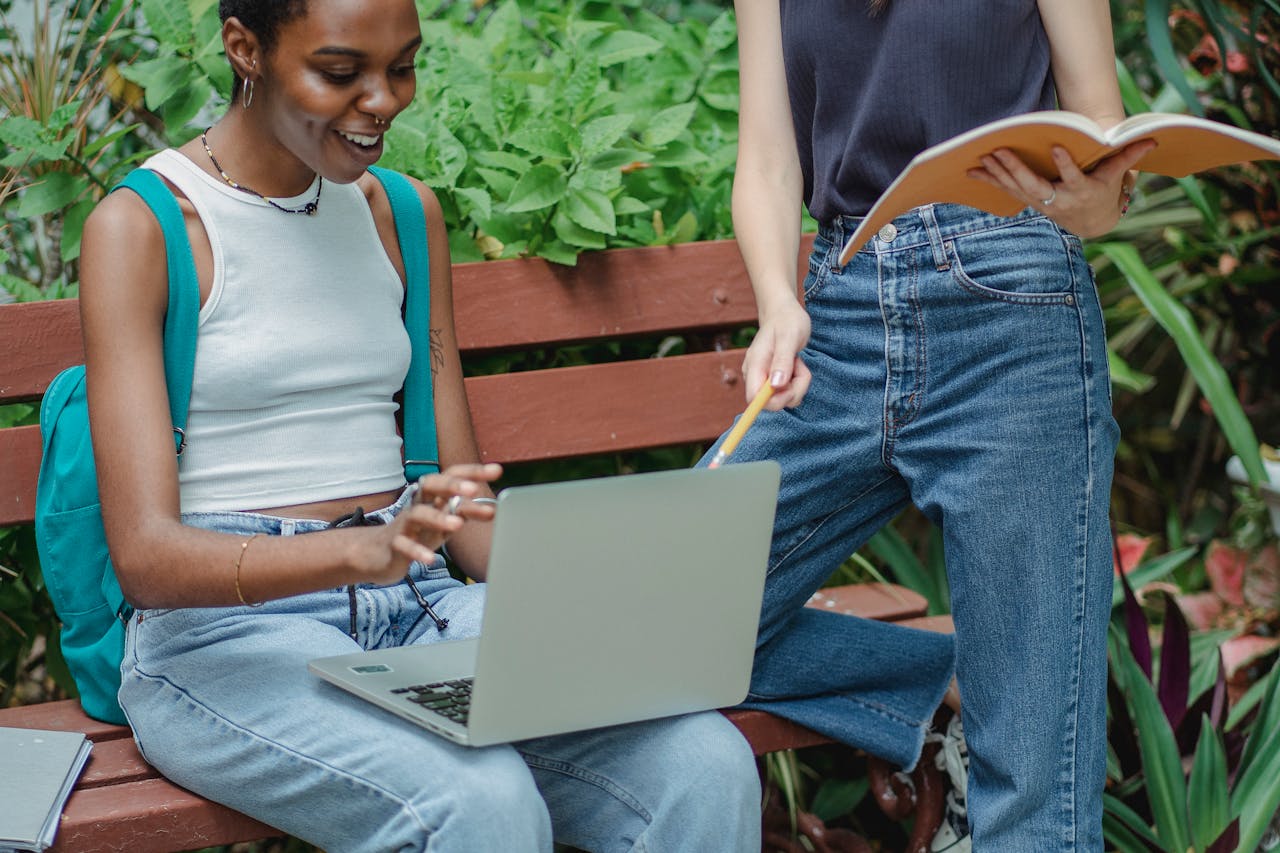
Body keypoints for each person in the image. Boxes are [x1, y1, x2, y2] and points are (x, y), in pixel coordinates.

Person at [78, 1, 762, 850]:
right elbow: (146, 558)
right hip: (224, 641)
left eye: (402, 66)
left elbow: (463, 520)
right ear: (244, 48)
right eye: (341, 73)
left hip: (419, 610)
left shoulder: (399, 214)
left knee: (703, 762)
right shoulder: (143, 227)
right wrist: (356, 549)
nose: (384, 99)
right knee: (480, 801)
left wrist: (613, 583)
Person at [709, 1, 1155, 850]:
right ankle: (964, 682)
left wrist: (1092, 200)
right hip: (839, 308)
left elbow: (1104, 146)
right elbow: (768, 162)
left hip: (1011, 300)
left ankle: (1019, 686)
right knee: (650, 619)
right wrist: (777, 300)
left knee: (1034, 794)